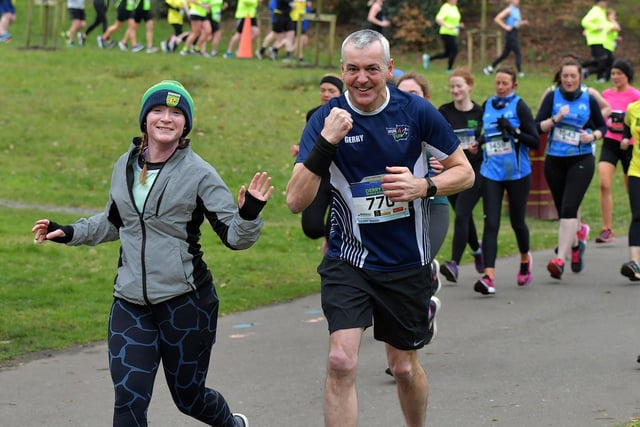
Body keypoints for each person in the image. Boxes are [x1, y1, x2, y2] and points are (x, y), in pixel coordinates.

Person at [31, 80, 273, 427]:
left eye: (176, 113)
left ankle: (230, 424)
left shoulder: (199, 174)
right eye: (158, 110)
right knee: (129, 399)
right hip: (130, 304)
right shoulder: (125, 165)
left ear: (185, 125)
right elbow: (115, 222)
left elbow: (235, 237)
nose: (166, 118)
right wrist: (69, 232)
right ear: (144, 119)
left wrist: (249, 212)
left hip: (186, 304)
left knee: (189, 398)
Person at [286, 29, 474, 426]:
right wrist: (326, 142)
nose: (362, 78)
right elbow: (295, 200)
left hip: (406, 260)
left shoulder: (416, 112)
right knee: (340, 361)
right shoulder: (326, 119)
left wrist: (422, 186)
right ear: (342, 70)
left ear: (389, 69)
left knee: (403, 368)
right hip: (348, 259)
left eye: (372, 68)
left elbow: (465, 172)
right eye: (352, 70)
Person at [535, 59, 607, 280]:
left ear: (579, 78)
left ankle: (559, 259)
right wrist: (556, 119)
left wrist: (592, 135)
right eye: (565, 76)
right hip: (555, 159)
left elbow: (601, 125)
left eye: (573, 76)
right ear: (560, 77)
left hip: (581, 158)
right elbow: (537, 126)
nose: (569, 80)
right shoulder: (552, 96)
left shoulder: (588, 98)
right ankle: (576, 244)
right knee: (562, 209)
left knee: (569, 206)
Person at [473, 67, 539, 296]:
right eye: (497, 83)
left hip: (517, 173)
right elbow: (486, 134)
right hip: (491, 172)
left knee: (517, 222)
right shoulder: (487, 104)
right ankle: (489, 276)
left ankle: (524, 259)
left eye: (505, 83)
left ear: (514, 85)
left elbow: (534, 140)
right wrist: (478, 142)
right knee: (491, 223)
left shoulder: (520, 106)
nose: (500, 87)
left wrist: (514, 130)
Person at [438, 67, 485, 283]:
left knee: (463, 213)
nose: (455, 90)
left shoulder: (480, 113)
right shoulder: (444, 111)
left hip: (474, 171)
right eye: (453, 86)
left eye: (459, 86)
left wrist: (478, 148)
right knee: (462, 214)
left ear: (470, 86)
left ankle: (454, 263)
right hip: (451, 170)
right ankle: (476, 249)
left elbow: (486, 141)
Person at [291, 74, 344, 254]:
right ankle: (329, 238)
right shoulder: (313, 115)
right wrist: (301, 149)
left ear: (340, 92)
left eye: (331, 90)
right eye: (323, 90)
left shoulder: (349, 114)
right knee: (311, 228)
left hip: (342, 177)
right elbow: (310, 141)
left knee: (334, 228)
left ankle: (333, 248)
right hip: (319, 177)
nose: (326, 94)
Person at [597, 59, 640, 244]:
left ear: (627, 75)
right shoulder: (606, 94)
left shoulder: (636, 95)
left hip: (630, 146)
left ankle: (636, 225)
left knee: (632, 190)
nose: (615, 77)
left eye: (619, 73)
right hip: (610, 143)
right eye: (613, 73)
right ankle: (607, 229)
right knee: (604, 183)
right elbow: (599, 116)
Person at [620, 99, 640, 282]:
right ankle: (635, 263)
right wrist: (626, 138)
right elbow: (627, 125)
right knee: (637, 215)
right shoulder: (633, 109)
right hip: (636, 170)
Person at [482, 0, 528, 77]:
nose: (517, 1)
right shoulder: (508, 10)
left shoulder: (517, 10)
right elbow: (497, 18)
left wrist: (523, 23)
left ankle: (489, 68)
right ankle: (520, 72)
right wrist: (505, 27)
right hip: (510, 34)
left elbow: (515, 23)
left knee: (504, 54)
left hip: (515, 33)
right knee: (517, 52)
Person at [422, 0, 464, 72]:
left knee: (447, 53)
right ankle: (449, 69)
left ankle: (429, 58)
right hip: (446, 32)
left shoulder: (455, 8)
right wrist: (447, 25)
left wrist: (459, 25)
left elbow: (454, 21)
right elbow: (438, 19)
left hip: (453, 33)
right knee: (454, 50)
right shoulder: (445, 7)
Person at [581, 0, 610, 83]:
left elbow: (604, 25)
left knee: (599, 60)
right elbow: (585, 21)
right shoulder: (595, 11)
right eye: (604, 1)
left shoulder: (601, 12)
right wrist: (595, 28)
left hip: (601, 40)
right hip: (595, 40)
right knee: (602, 59)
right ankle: (585, 71)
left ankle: (597, 76)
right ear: (599, 2)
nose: (606, 3)